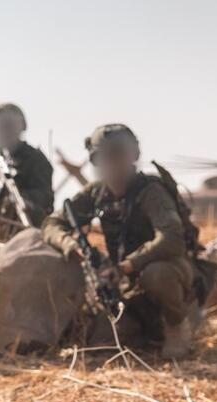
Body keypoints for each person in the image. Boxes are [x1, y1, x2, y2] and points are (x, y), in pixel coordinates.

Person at [41, 124, 196, 359]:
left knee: (157, 274)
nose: (112, 164)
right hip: (125, 283)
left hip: (166, 273)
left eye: (118, 156)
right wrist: (70, 246)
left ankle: (177, 325)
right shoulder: (97, 193)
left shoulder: (151, 191)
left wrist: (127, 266)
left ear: (133, 156)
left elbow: (172, 239)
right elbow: (52, 224)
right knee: (101, 343)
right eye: (105, 158)